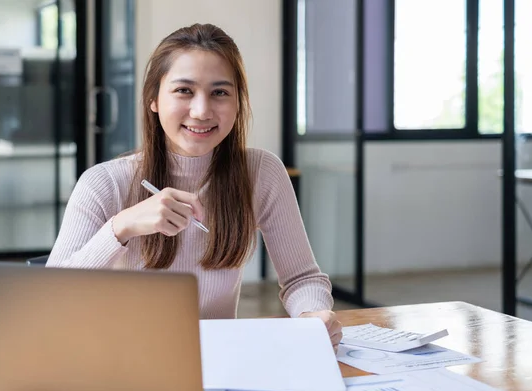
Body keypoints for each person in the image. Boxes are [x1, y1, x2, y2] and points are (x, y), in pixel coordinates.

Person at [47, 23, 342, 349]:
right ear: (153, 99)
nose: (202, 111)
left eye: (220, 92)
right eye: (184, 91)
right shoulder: (103, 182)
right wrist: (121, 226)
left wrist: (314, 313)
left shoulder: (261, 172)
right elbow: (50, 296)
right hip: (122, 359)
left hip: (216, 360)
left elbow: (302, 278)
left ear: (238, 103)